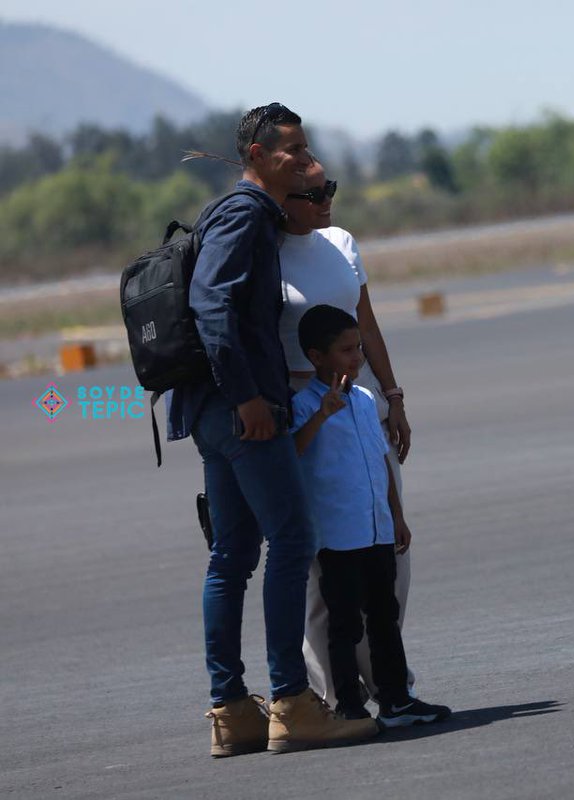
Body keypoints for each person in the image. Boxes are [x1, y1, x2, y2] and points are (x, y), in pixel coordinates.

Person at [168, 103, 379, 756]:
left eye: (304, 147)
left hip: (211, 408)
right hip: (239, 410)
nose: (300, 158)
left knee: (232, 556)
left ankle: (232, 711)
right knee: (293, 538)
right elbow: (212, 304)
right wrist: (249, 399)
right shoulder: (245, 214)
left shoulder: (247, 215)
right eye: (288, 149)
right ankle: (291, 700)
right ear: (256, 157)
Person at [277, 161, 417, 709]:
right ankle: (337, 696)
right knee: (326, 572)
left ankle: (389, 680)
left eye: (329, 188)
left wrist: (394, 396)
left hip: (361, 404)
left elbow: (369, 324)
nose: (326, 199)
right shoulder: (261, 256)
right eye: (312, 193)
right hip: (306, 414)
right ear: (280, 200)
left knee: (389, 555)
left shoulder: (340, 243)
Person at [290, 304, 450, 726]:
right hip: (337, 535)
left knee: (385, 616)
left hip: (376, 527)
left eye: (358, 347)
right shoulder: (304, 405)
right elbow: (293, 454)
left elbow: (381, 462)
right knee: (343, 624)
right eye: (345, 350)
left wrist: (397, 516)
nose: (357, 357)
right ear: (316, 357)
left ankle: (396, 699)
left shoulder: (363, 398)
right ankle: (348, 707)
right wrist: (322, 414)